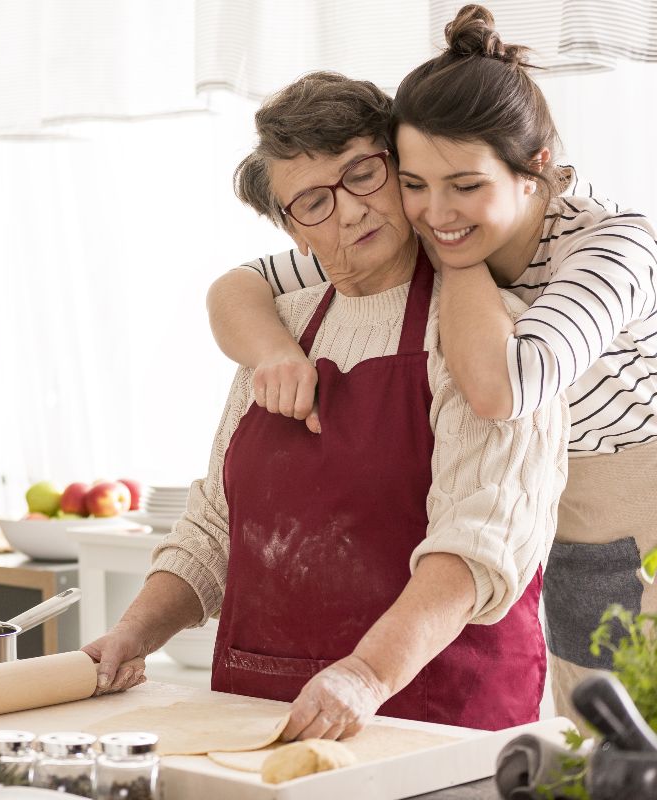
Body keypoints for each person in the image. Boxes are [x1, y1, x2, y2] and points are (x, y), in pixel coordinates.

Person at [82, 70, 568, 741]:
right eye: (312, 201)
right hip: (259, 722)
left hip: (432, 721)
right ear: (293, 232)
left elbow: (477, 549)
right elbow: (216, 529)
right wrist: (131, 634)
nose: (348, 210)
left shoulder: (486, 337)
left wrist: (364, 674)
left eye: (362, 174)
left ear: (401, 169)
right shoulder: (279, 331)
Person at [204, 5, 657, 724]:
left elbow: (501, 387)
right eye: (414, 183)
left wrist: (451, 252)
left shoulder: (612, 248)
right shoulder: (406, 225)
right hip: (551, 499)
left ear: (536, 168)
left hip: (637, 494)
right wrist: (275, 352)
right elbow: (238, 286)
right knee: (597, 744)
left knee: (639, 732)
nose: (436, 208)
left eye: (464, 186)